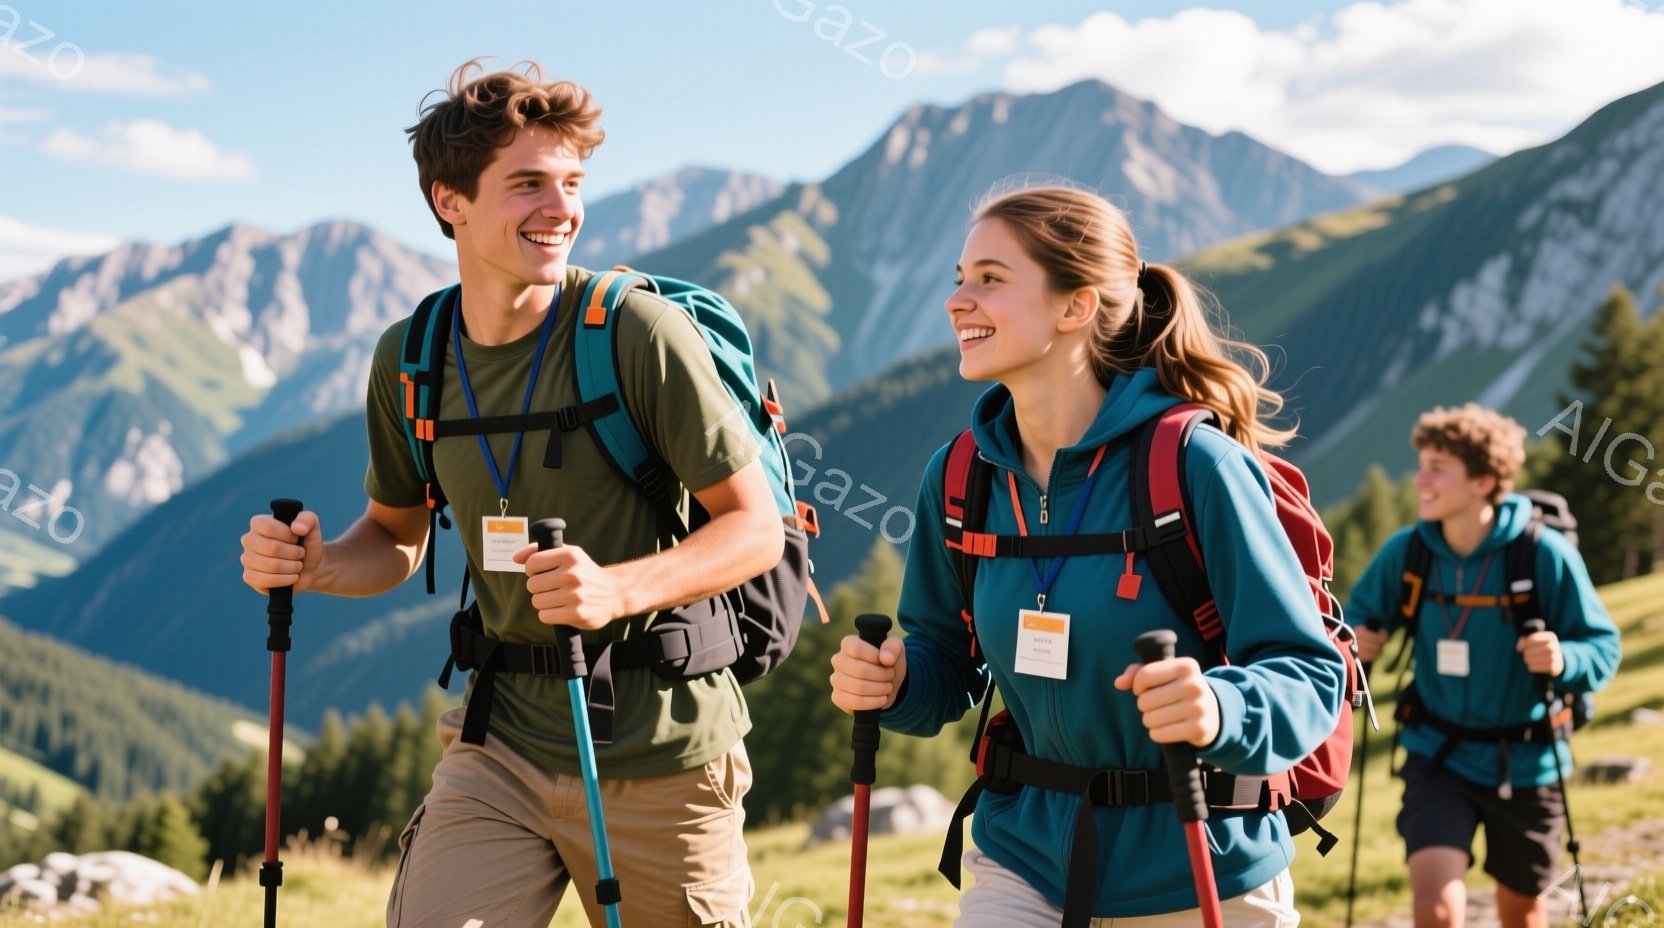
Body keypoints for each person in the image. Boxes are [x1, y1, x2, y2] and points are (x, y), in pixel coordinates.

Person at [238, 60, 783, 927]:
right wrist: (316, 565)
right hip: (501, 746)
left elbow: (758, 530)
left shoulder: (636, 334)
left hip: (661, 754)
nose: (561, 208)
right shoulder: (412, 356)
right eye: (528, 183)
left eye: (571, 183)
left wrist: (617, 589)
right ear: (449, 200)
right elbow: (395, 533)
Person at [829, 183, 1346, 926]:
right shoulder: (960, 477)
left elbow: (1308, 673)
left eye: (990, 280)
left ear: (1076, 307)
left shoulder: (1195, 465)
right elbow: (946, 662)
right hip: (1025, 857)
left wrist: (1220, 704)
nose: (958, 301)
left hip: (1200, 863)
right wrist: (896, 679)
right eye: (959, 279)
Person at [1349, 404, 1620, 928]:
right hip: (1437, 756)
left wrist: (1565, 657)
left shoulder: (1543, 555)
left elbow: (1603, 647)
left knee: (1521, 914)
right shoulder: (1407, 553)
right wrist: (1356, 643)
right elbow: (1352, 620)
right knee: (1435, 911)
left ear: (1485, 481)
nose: (1420, 479)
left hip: (1528, 763)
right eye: (1422, 463)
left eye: (1437, 468)